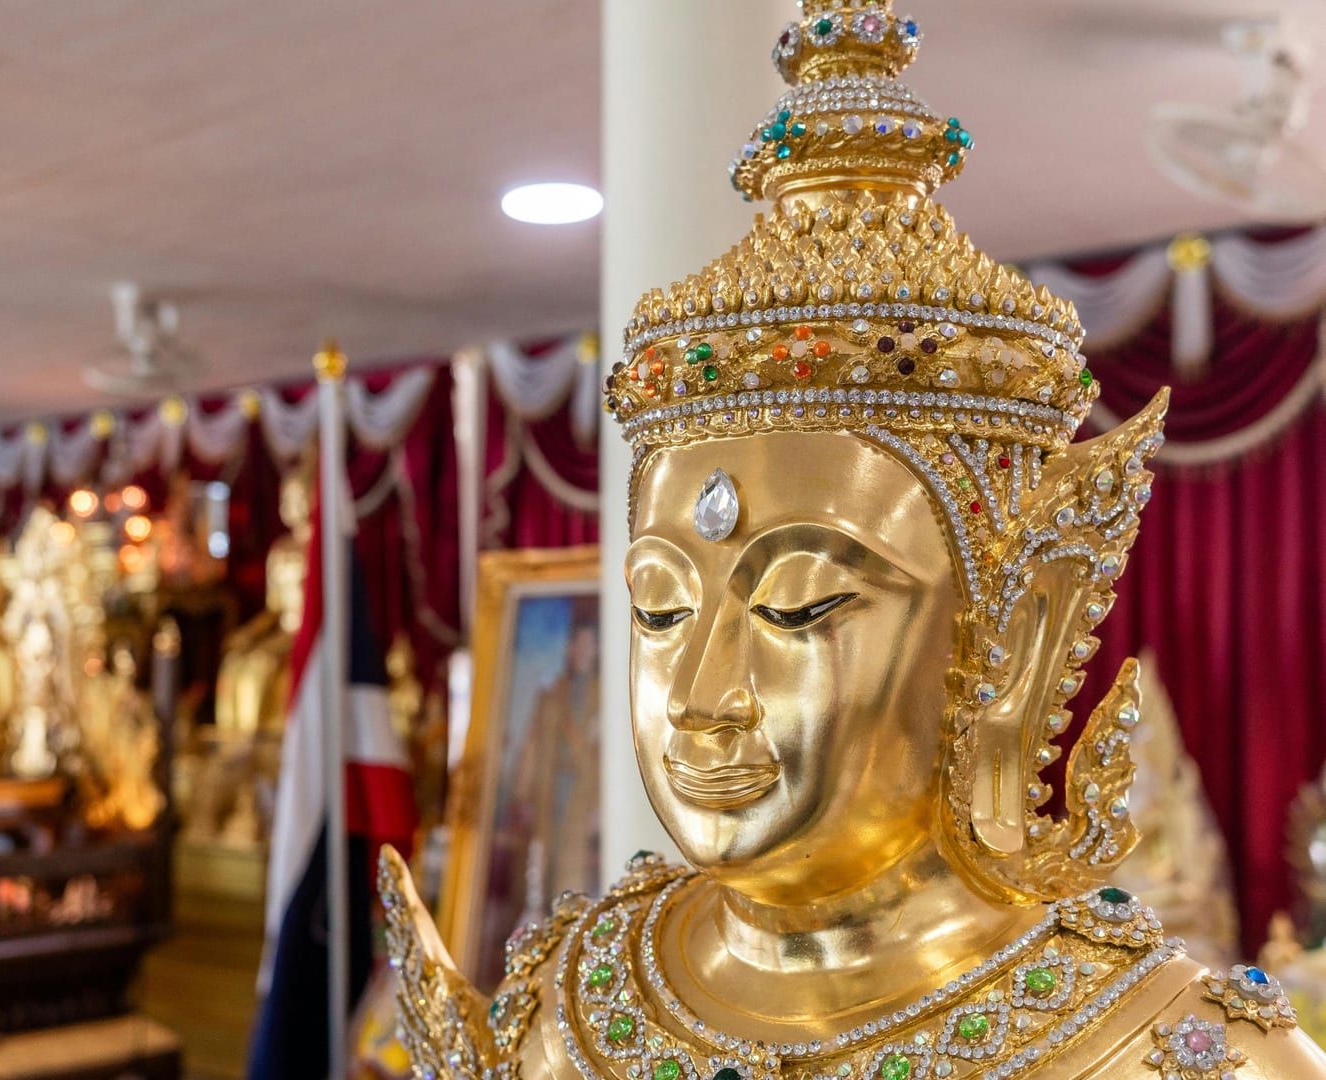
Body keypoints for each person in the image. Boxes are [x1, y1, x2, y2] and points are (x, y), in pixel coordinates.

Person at [376, 2, 1326, 1076]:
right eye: (660, 607)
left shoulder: (1176, 1053)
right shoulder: (576, 997)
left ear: (1011, 635)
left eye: (795, 607)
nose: (700, 689)